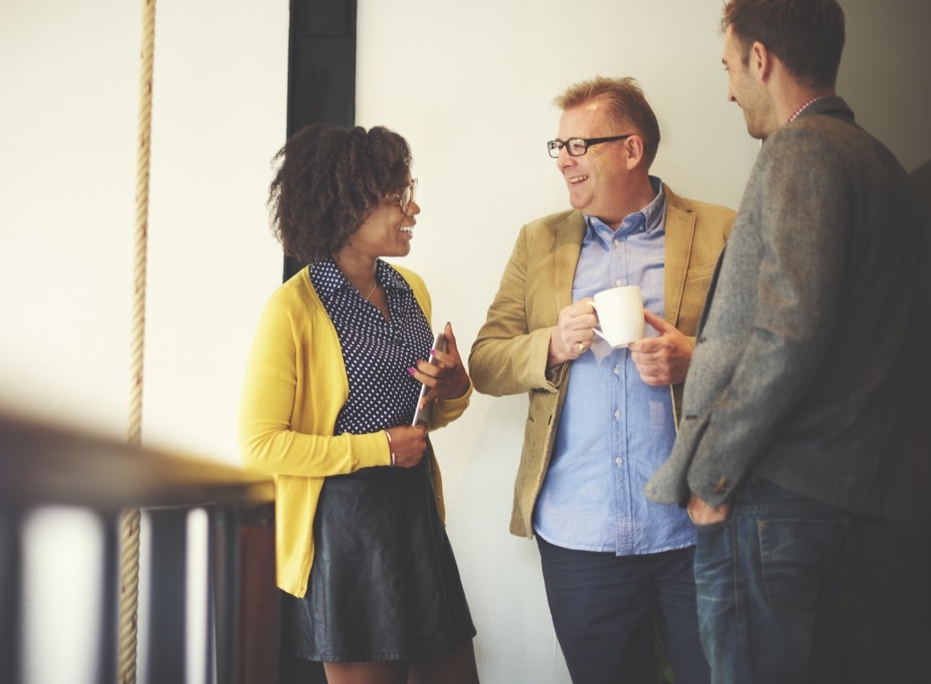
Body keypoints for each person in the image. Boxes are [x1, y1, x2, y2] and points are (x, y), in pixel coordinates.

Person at [644, 0, 925, 684]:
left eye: (729, 67)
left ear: (761, 58)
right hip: (855, 500)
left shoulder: (801, 150)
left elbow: (791, 329)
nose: (729, 89)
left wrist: (714, 471)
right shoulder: (884, 165)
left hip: (774, 502)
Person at [470, 76, 734, 684]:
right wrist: (550, 344)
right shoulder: (538, 241)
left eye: (578, 146)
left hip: (694, 526)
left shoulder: (722, 229)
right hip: (578, 533)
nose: (563, 160)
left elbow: (771, 357)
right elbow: (485, 361)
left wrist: (693, 358)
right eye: (558, 147)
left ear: (631, 149)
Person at [239, 124, 480, 684]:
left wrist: (452, 390)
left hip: (416, 515)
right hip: (346, 532)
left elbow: (423, 418)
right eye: (397, 196)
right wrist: (380, 449)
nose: (413, 208)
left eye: (408, 191)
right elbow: (260, 445)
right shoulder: (292, 309)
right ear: (345, 207)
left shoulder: (410, 288)